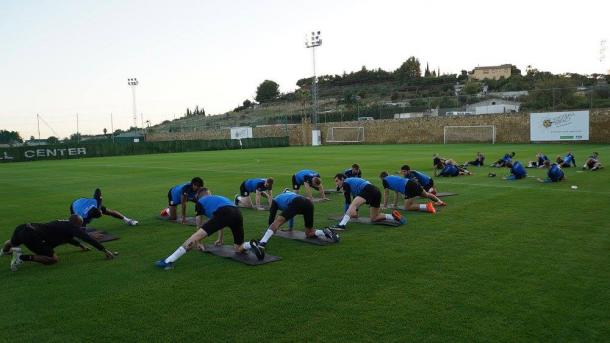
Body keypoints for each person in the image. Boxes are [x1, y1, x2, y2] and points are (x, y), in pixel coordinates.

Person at [155, 189, 264, 269]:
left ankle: (169, 260)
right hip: (237, 213)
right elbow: (220, 220)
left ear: (199, 196)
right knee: (238, 248)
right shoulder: (219, 198)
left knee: (194, 237)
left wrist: (199, 242)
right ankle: (250, 244)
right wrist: (220, 239)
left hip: (224, 212)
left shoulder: (200, 202)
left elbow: (199, 225)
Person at [1, 215, 116, 271]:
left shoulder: (62, 223)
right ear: (77, 224)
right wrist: (105, 250)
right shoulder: (73, 227)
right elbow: (88, 238)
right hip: (32, 236)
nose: (81, 227)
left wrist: (80, 246)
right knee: (53, 259)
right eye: (80, 225)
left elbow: (67, 238)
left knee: (11, 242)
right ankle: (21, 257)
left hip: (23, 227)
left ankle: (3, 251)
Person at [258, 190, 339, 247]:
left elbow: (271, 218)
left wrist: (272, 228)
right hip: (308, 203)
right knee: (309, 233)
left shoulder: (275, 201)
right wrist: (290, 228)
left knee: (276, 223)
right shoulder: (288, 195)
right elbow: (291, 213)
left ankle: (262, 242)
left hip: (297, 202)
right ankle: (324, 232)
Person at [331, 174, 405, 230]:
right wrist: (355, 212)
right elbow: (356, 200)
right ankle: (393, 216)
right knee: (374, 218)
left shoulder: (345, 183)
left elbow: (348, 201)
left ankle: (341, 225)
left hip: (368, 189)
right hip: (376, 191)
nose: (336, 183)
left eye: (337, 181)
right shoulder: (351, 182)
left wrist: (346, 214)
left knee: (352, 205)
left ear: (342, 179)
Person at [379, 172, 445, 214]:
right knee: (426, 195)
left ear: (382, 178)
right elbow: (396, 192)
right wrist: (395, 205)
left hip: (408, 186)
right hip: (413, 183)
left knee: (407, 207)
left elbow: (386, 194)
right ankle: (440, 202)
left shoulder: (385, 180)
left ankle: (427, 206)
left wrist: (385, 206)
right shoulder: (392, 177)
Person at [70, 188, 138, 226]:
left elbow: (97, 190)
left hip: (85, 201)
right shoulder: (83, 217)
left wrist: (99, 207)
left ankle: (128, 220)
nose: (102, 214)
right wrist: (92, 235)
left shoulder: (96, 202)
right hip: (74, 205)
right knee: (77, 224)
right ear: (93, 217)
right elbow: (83, 233)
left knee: (109, 211)